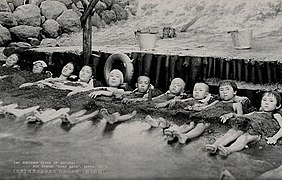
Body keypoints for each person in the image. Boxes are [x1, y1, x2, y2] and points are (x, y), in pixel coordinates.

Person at [205, 91, 282, 156]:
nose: (266, 103)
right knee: (233, 132)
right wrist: (232, 114)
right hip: (247, 127)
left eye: (271, 101)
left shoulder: (275, 115)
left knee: (244, 137)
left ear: (278, 106)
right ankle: (214, 146)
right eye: (264, 100)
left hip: (259, 132)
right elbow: (243, 116)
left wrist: (275, 137)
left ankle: (228, 149)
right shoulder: (255, 113)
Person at [173, 80, 244, 144]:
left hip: (218, 121)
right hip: (207, 116)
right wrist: (193, 108)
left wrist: (232, 114)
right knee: (196, 123)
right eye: (221, 90)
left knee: (202, 125)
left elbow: (241, 118)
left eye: (227, 89)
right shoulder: (217, 102)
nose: (224, 92)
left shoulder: (237, 104)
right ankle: (177, 133)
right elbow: (205, 108)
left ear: (235, 92)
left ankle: (186, 136)